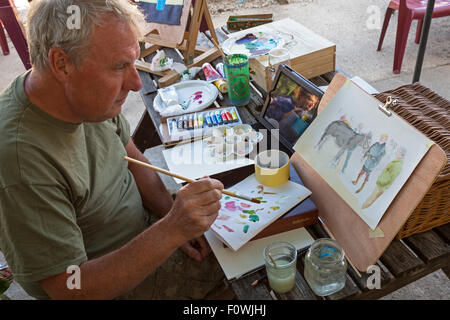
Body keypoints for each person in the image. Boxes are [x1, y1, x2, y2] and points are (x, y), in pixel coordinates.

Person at [0, 0, 225, 300]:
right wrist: (171, 230)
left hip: (145, 233)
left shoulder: (87, 98)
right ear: (61, 64)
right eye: (120, 66)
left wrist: (172, 217)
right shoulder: (19, 159)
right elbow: (68, 287)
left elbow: (134, 159)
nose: (134, 82)